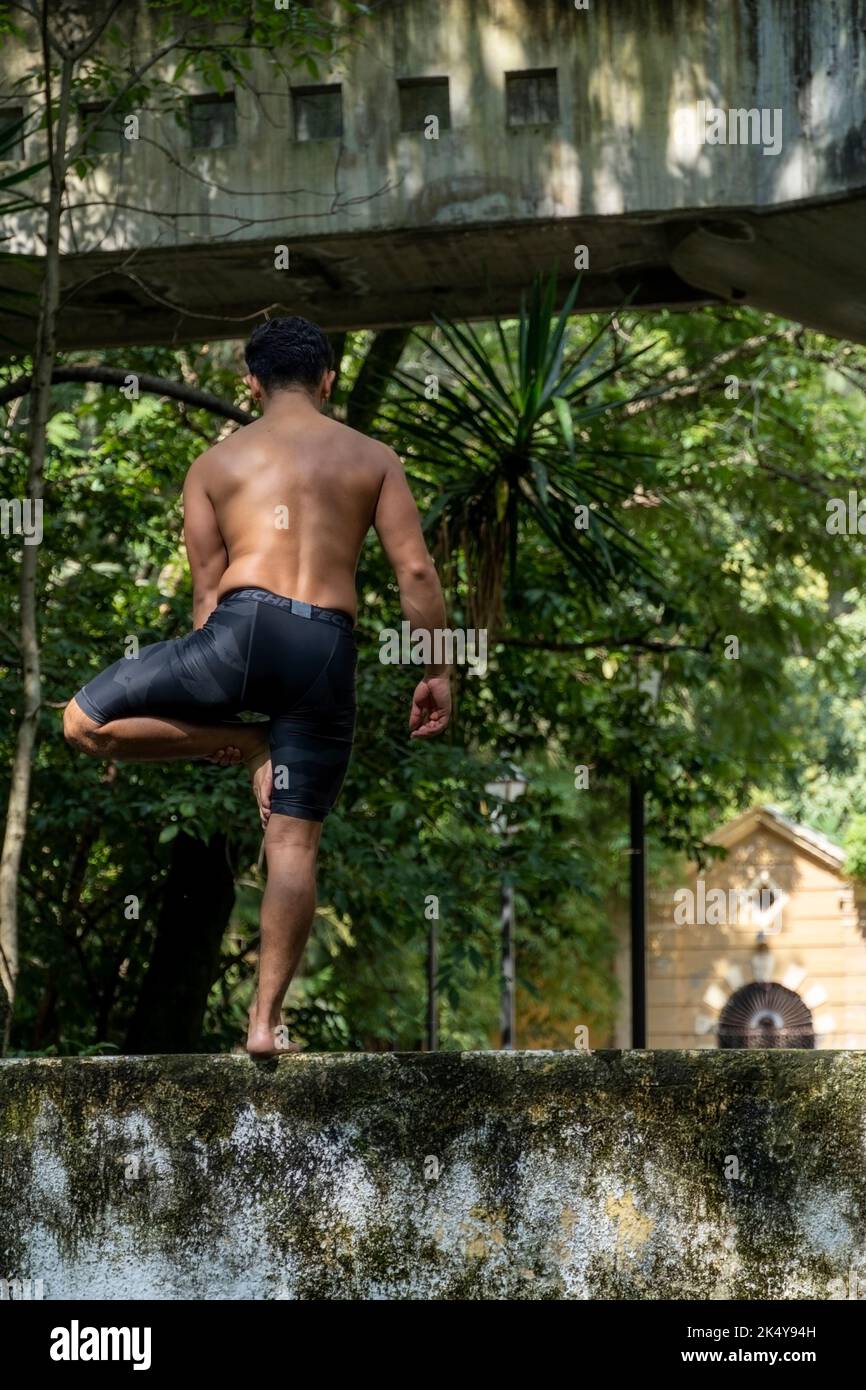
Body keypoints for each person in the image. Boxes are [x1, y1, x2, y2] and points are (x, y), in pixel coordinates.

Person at [63, 315, 452, 1055]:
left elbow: (207, 595)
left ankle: (246, 746)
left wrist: (210, 698)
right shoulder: (372, 458)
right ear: (329, 379)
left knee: (82, 722)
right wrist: (436, 671)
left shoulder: (214, 465)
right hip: (328, 650)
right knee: (294, 842)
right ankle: (265, 1024)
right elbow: (416, 574)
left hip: (239, 635)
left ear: (250, 383)